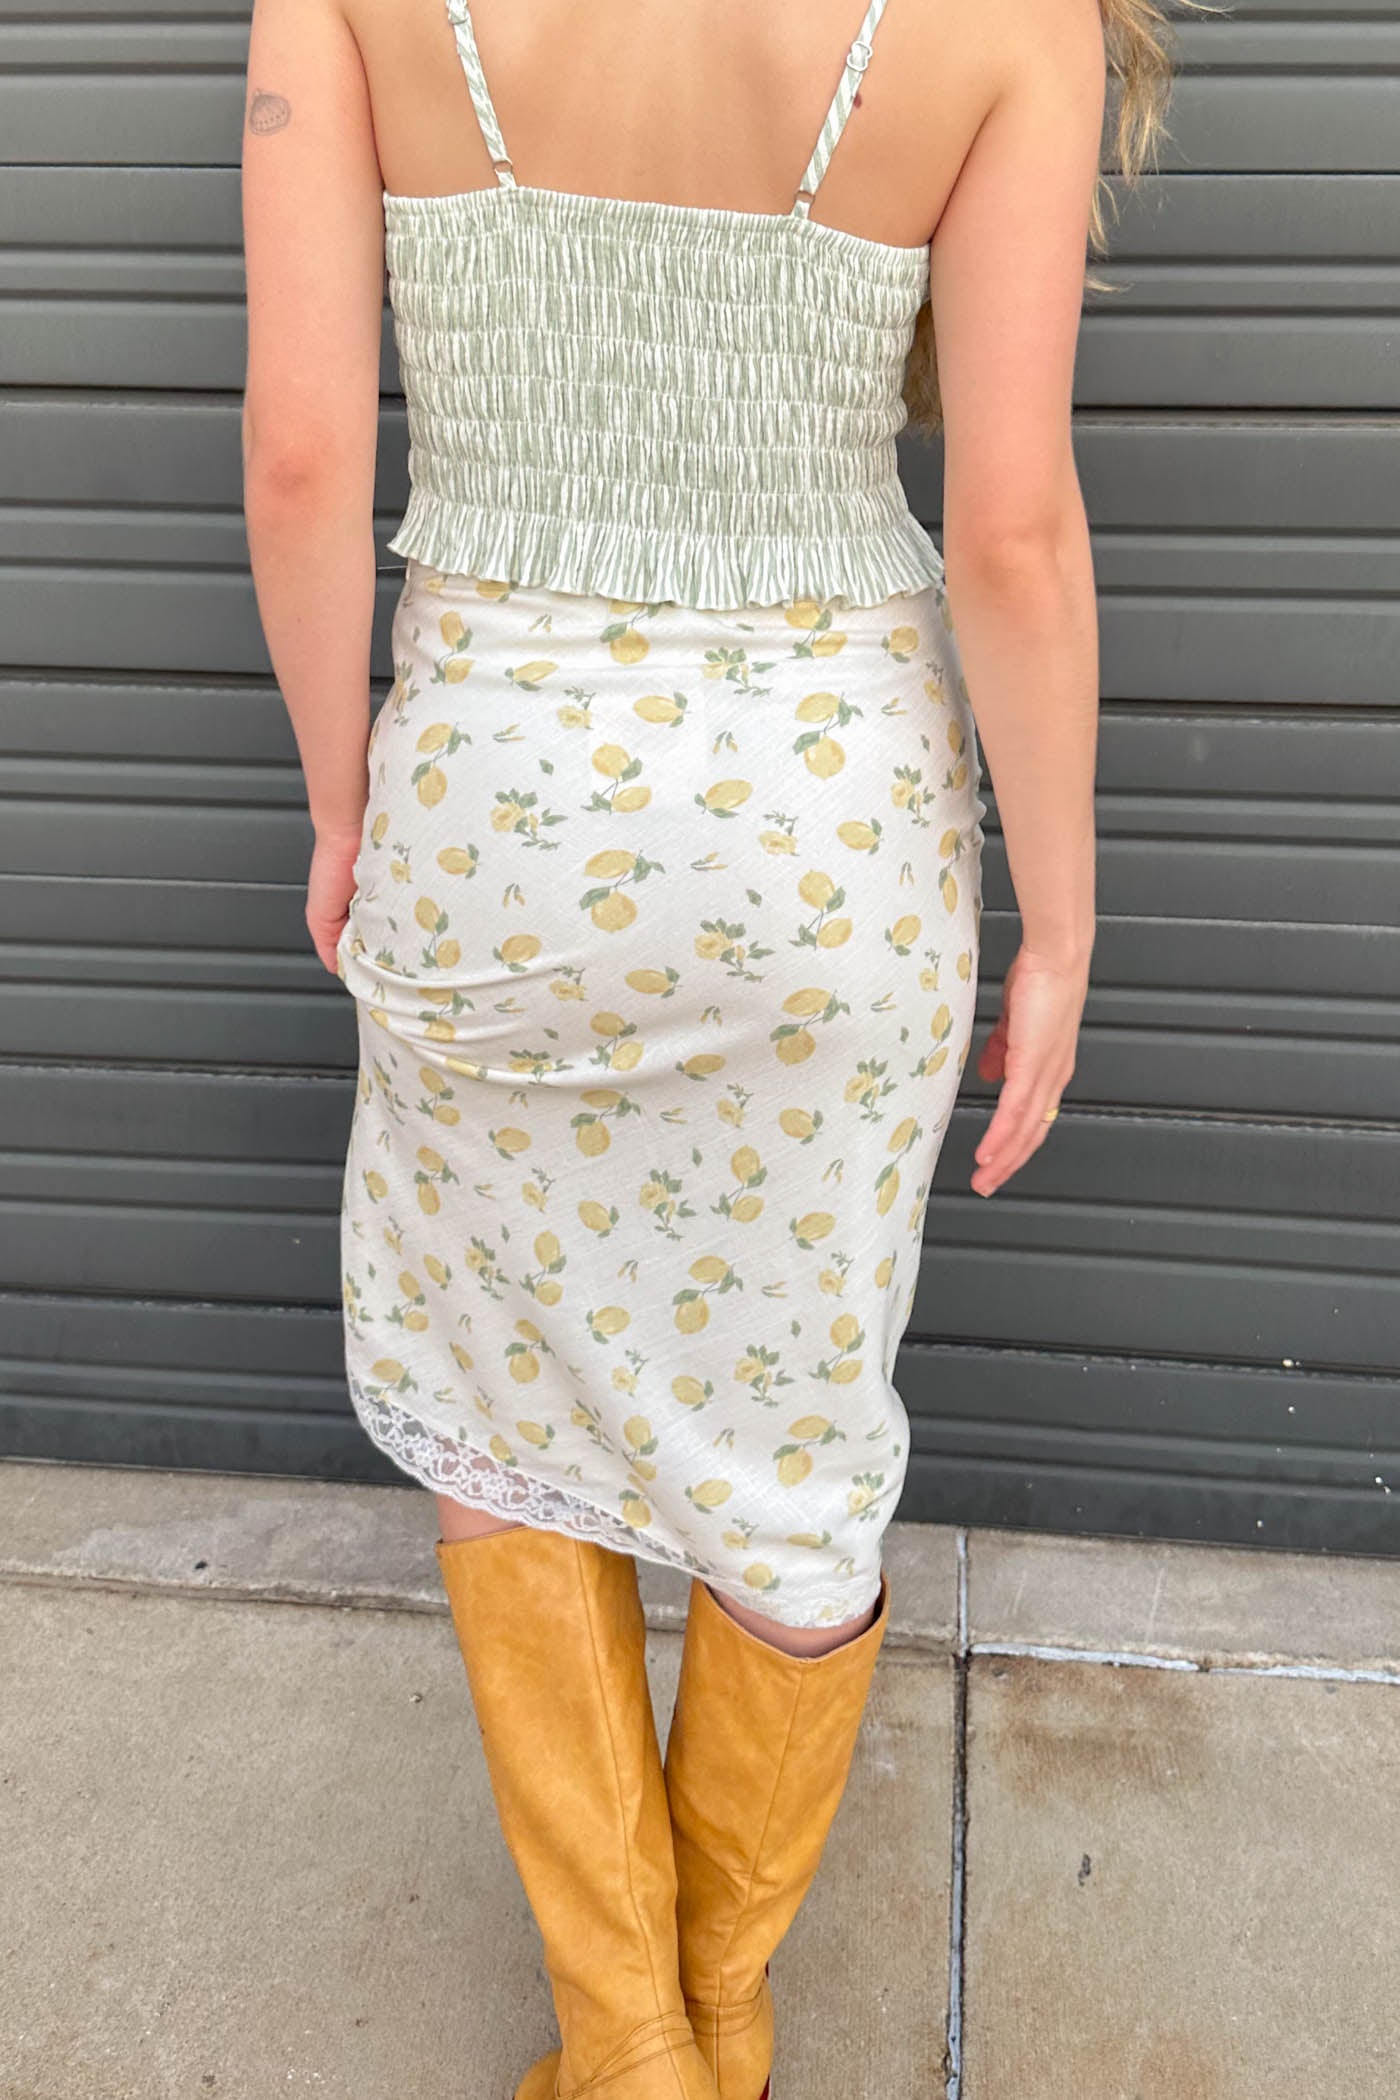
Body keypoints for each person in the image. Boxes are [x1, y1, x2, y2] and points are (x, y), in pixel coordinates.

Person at [241, 0, 1177, 2092]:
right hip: (824, 846)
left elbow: (301, 451)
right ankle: (723, 2008)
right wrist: (1067, 916)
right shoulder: (1009, 24)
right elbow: (1014, 530)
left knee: (506, 1402)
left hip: (494, 809)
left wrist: (338, 797)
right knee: (790, 1442)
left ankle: (627, 2049)